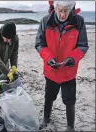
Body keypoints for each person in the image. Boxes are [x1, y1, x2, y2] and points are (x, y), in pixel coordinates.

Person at [35, 1, 89, 131]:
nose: (62, 14)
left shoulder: (79, 21)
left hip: (68, 72)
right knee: (49, 97)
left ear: (71, 9)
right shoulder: (45, 21)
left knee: (69, 101)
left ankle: (70, 127)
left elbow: (83, 45)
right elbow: (39, 44)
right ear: (55, 7)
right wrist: (48, 58)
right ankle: (46, 119)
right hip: (51, 70)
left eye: (66, 11)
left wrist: (73, 58)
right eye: (60, 10)